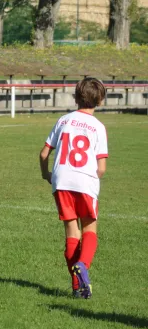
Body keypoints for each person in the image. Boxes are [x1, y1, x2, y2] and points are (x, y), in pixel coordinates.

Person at [39, 77, 108, 299]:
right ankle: (83, 265)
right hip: (84, 180)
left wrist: (45, 174)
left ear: (75, 97)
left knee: (72, 232)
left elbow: (43, 153)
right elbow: (102, 167)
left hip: (61, 181)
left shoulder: (63, 120)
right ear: (101, 100)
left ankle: (77, 287)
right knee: (90, 228)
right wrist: (93, 179)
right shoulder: (98, 126)